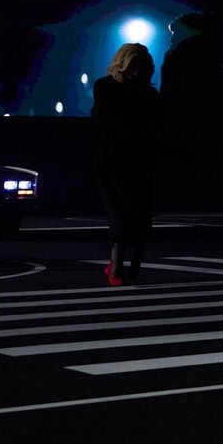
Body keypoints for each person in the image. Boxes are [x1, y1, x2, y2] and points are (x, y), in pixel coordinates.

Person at [91, 42, 163, 284]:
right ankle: (120, 263)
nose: (138, 72)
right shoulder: (111, 88)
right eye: (135, 67)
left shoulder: (143, 93)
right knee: (125, 210)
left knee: (134, 211)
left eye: (142, 68)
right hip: (118, 158)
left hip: (133, 158)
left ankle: (124, 263)